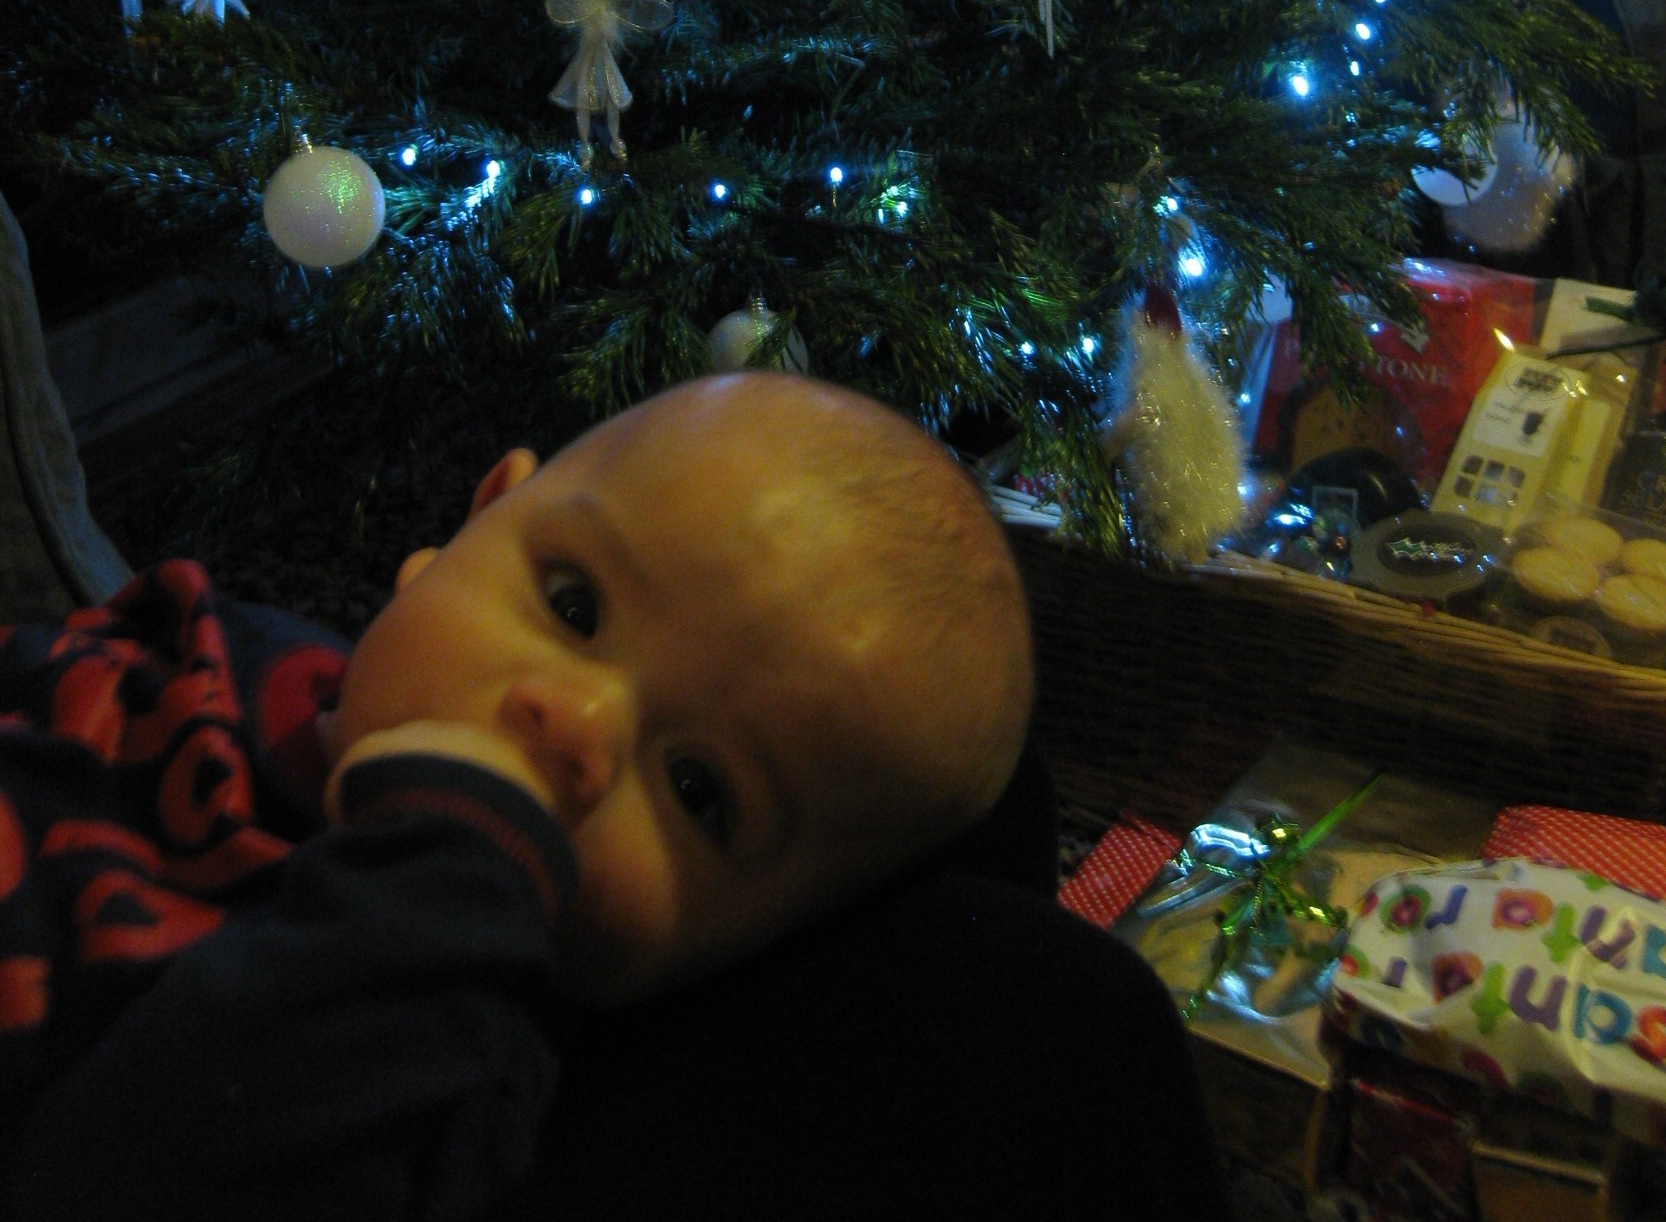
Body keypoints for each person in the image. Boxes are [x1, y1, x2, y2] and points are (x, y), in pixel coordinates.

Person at [0, 372, 1035, 1219]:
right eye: (574, 606)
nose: (576, 725)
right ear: (478, 515)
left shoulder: (470, 1077)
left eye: (697, 788)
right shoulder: (188, 650)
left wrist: (447, 869)